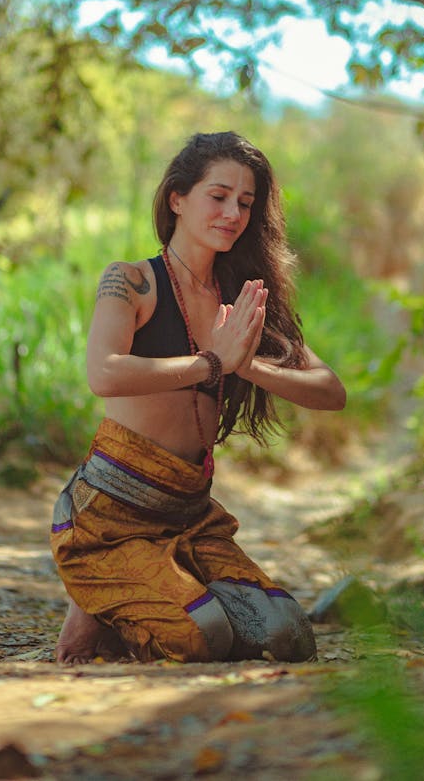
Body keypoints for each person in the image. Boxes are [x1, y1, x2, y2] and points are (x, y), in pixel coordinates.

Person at [50, 131, 346, 664]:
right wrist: (212, 363)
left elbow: (330, 391)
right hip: (113, 513)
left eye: (246, 203)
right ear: (177, 199)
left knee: (287, 636)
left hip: (189, 513)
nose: (233, 212)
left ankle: (153, 591)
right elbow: (104, 373)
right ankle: (99, 591)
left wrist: (247, 363)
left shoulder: (245, 298)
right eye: (219, 195)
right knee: (201, 638)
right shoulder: (132, 282)